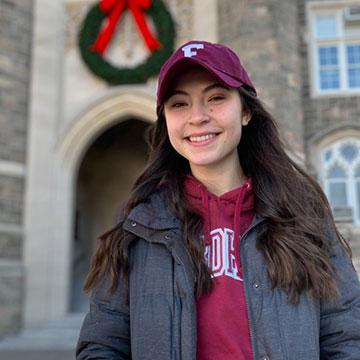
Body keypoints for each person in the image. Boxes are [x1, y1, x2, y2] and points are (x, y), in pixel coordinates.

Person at [76, 40, 360, 360]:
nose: (197, 117)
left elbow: (347, 334)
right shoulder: (139, 225)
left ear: (246, 111)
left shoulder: (302, 214)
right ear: (166, 119)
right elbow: (102, 345)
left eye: (216, 98)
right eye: (179, 103)